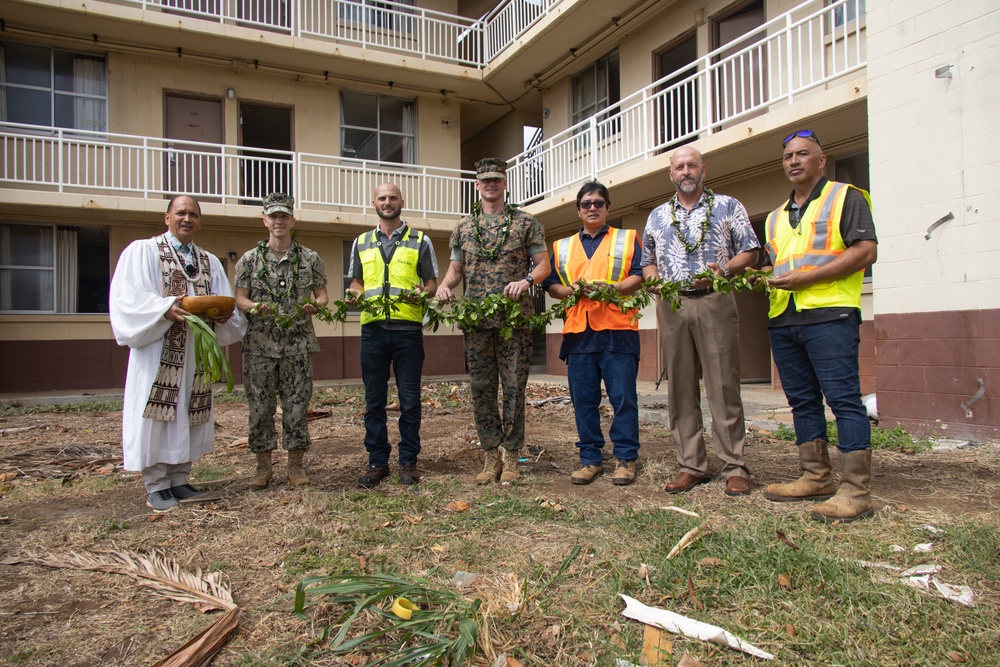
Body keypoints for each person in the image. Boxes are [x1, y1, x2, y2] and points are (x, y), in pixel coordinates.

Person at [762, 129, 878, 523]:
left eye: (803, 154)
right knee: (803, 402)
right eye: (788, 157)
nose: (794, 161)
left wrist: (807, 280)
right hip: (784, 317)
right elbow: (777, 263)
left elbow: (866, 251)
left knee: (843, 399)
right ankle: (815, 475)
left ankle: (856, 490)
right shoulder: (777, 216)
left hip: (830, 315)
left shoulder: (846, 197)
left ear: (820, 160)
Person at [110, 195, 244, 513]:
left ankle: (179, 478)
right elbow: (128, 297)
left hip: (195, 355)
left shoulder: (209, 261)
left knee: (188, 410)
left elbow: (226, 304)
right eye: (180, 212)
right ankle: (156, 484)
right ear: (166, 217)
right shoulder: (143, 252)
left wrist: (223, 315)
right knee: (157, 413)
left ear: (199, 221)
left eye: (194, 214)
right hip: (158, 352)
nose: (187, 218)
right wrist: (164, 308)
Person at [642, 146, 760, 496]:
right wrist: (652, 279)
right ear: (671, 174)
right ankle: (691, 464)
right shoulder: (657, 215)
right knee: (680, 387)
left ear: (703, 169)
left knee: (723, 384)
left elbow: (751, 251)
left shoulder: (727, 206)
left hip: (714, 301)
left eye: (692, 165)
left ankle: (735, 466)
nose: (686, 171)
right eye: (679, 167)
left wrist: (724, 269)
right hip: (672, 305)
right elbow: (646, 260)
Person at [436, 158, 549, 484]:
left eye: (496, 180)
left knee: (514, 388)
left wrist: (527, 281)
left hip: (515, 322)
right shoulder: (463, 228)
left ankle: (511, 457)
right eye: (485, 180)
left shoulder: (525, 223)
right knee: (482, 389)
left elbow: (543, 264)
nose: (491, 184)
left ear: (504, 183)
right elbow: (456, 270)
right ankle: (490, 457)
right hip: (477, 323)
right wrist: (445, 286)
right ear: (477, 184)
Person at [541, 182, 643, 486]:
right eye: (586, 204)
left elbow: (639, 273)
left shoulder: (627, 239)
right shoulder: (561, 246)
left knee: (623, 398)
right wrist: (571, 291)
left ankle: (625, 458)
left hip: (618, 329)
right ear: (578, 210)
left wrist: (616, 288)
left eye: (599, 203)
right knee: (583, 399)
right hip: (578, 332)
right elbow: (550, 283)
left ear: (608, 207)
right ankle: (590, 458)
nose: (593, 208)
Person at [235, 192, 329, 490]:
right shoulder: (249, 260)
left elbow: (323, 294)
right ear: (265, 220)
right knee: (260, 407)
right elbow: (239, 297)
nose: (279, 221)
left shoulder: (310, 258)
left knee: (297, 406)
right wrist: (251, 307)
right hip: (260, 345)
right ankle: (262, 468)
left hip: (298, 344)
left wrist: (319, 305)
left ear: (292, 220)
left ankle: (296, 466)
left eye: (283, 216)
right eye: (273, 216)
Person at [347, 183, 438, 488]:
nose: (387, 202)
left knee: (409, 400)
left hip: (407, 332)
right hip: (372, 330)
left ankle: (408, 462)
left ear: (402, 202)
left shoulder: (420, 241)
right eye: (382, 198)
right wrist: (352, 295)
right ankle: (377, 462)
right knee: (374, 400)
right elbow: (357, 283)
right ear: (374, 202)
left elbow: (431, 285)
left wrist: (421, 293)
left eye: (393, 198)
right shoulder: (361, 242)